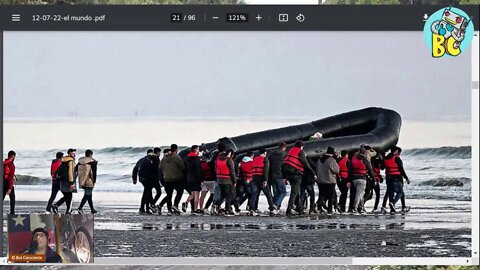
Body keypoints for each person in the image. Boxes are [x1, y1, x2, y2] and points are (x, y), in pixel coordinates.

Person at [283, 141, 316, 216]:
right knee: (294, 193)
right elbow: (306, 163)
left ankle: (300, 209)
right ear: (301, 146)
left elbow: (285, 163)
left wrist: (284, 177)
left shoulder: (290, 151)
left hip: (288, 174)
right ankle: (289, 210)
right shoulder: (300, 152)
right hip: (296, 174)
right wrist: (313, 173)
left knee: (297, 192)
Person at [348, 147, 376, 214]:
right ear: (364, 152)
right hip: (362, 179)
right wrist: (374, 179)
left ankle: (361, 208)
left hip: (354, 179)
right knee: (359, 194)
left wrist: (349, 181)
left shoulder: (353, 159)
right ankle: (354, 208)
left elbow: (350, 171)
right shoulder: (365, 159)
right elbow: (370, 170)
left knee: (361, 193)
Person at [383, 146, 411, 213]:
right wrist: (406, 178)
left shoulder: (386, 158)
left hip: (388, 178)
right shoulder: (397, 159)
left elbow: (382, 167)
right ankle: (393, 203)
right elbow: (401, 169)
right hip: (396, 178)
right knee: (400, 192)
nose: (399, 154)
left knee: (391, 193)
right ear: (396, 151)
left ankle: (394, 209)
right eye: (399, 152)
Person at [160, 144, 185, 215]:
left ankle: (169, 210)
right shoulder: (177, 157)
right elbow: (182, 167)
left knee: (169, 195)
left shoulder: (164, 158)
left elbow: (160, 167)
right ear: (176, 150)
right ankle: (175, 205)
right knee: (180, 192)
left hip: (166, 178)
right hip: (176, 178)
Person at [249, 148, 276, 216]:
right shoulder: (265, 159)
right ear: (264, 153)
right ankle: (272, 208)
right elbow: (265, 170)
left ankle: (252, 209)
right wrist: (265, 180)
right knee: (268, 194)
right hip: (261, 178)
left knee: (254, 194)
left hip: (254, 178)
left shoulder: (254, 159)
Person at [52, 148, 77, 214]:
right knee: (70, 198)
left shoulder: (63, 160)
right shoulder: (71, 161)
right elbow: (70, 173)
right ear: (69, 154)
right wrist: (71, 183)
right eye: (73, 153)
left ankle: (57, 206)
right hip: (68, 182)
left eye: (75, 153)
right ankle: (67, 212)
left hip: (62, 182)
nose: (74, 155)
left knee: (67, 196)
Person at [316, 146, 340, 214]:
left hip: (320, 181)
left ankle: (316, 207)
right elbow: (337, 170)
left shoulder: (319, 160)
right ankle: (330, 210)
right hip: (330, 181)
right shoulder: (332, 160)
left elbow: (317, 169)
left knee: (322, 195)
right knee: (331, 196)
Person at [214, 148, 236, 216]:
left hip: (219, 180)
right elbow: (232, 172)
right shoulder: (229, 160)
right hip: (227, 180)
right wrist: (234, 181)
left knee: (222, 194)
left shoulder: (217, 159)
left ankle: (216, 205)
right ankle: (228, 209)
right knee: (228, 195)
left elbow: (215, 169)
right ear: (229, 154)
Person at [132, 149, 155, 214]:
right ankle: (146, 208)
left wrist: (134, 179)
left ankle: (144, 208)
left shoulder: (141, 160)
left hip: (141, 178)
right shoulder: (149, 161)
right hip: (146, 179)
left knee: (147, 192)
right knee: (147, 192)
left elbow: (135, 169)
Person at [76, 149, 98, 214]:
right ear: (91, 155)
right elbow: (94, 172)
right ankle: (80, 208)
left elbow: (75, 170)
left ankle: (92, 209)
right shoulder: (93, 162)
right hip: (89, 180)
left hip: (82, 180)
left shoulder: (80, 162)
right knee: (87, 195)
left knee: (89, 195)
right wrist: (94, 181)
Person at [183, 145, 203, 214]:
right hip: (196, 178)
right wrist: (201, 179)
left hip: (189, 178)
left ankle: (186, 202)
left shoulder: (186, 159)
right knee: (197, 194)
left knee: (192, 194)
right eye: (198, 149)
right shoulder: (197, 159)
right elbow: (198, 170)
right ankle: (195, 209)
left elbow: (184, 169)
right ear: (196, 149)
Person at [268, 142, 287, 211]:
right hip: (279, 175)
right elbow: (285, 167)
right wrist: (285, 177)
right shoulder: (284, 154)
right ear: (284, 147)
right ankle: (276, 204)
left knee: (276, 193)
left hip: (271, 176)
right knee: (283, 192)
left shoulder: (272, 154)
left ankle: (275, 208)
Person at [3, 150, 16, 215]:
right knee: (12, 198)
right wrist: (10, 188)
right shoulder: (11, 165)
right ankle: (12, 213)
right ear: (13, 156)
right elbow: (10, 178)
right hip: (7, 182)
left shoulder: (3, 162)